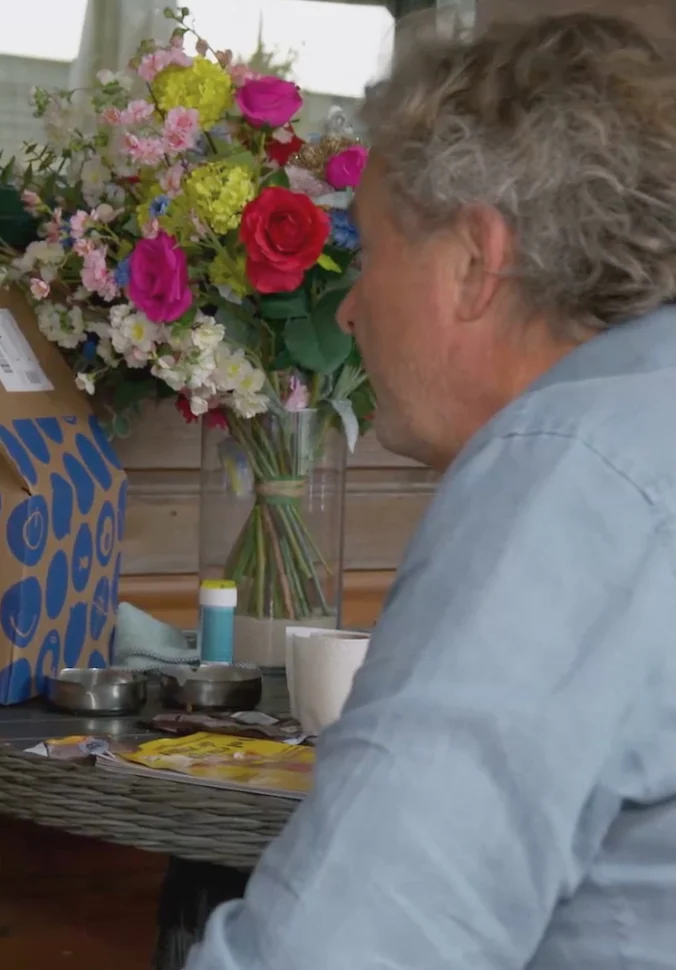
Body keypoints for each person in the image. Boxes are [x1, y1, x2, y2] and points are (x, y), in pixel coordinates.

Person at [185, 11, 676, 970]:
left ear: (475, 263)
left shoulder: (567, 475)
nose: (353, 304)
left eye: (368, 252)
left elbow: (349, 945)